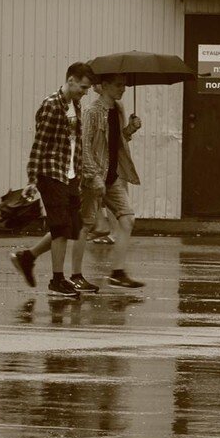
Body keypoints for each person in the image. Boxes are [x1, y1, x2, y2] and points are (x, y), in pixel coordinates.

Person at [10, 62, 95, 297]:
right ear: (70, 80)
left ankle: (26, 257)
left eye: (87, 89)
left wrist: (80, 172)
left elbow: (74, 143)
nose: (84, 92)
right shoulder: (51, 105)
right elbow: (40, 143)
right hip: (51, 173)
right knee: (60, 227)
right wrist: (31, 179)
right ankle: (57, 280)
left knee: (71, 226)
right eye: (83, 87)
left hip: (70, 175)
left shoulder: (75, 105)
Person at [70, 73, 144, 289]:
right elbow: (84, 146)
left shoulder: (118, 109)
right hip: (94, 177)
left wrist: (131, 129)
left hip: (113, 177)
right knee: (84, 225)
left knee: (127, 219)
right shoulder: (92, 112)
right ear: (104, 86)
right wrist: (93, 177)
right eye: (119, 85)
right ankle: (75, 276)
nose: (123, 89)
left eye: (124, 85)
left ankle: (117, 272)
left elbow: (117, 140)